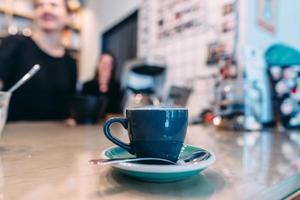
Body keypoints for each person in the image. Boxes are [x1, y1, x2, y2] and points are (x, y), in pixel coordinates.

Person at [0, 0, 77, 121]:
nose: (45, 9)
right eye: (39, 5)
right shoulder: (15, 44)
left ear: (69, 16)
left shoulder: (70, 62)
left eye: (53, 4)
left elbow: (67, 106)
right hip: (14, 136)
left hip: (56, 137)